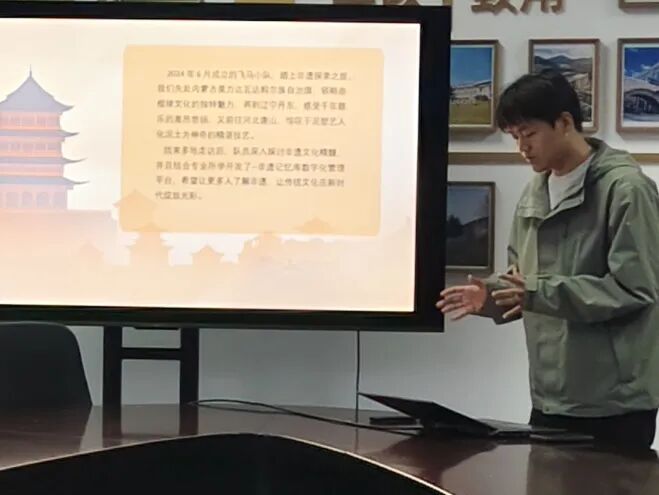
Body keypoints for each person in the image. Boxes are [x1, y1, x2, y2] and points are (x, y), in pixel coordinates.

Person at [436, 70, 659, 450]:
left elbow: (635, 289)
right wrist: (490, 296)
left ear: (565, 122)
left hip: (614, 404)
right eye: (514, 137)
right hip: (549, 396)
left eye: (529, 133)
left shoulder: (626, 191)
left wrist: (536, 292)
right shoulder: (534, 192)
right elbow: (523, 278)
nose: (522, 147)